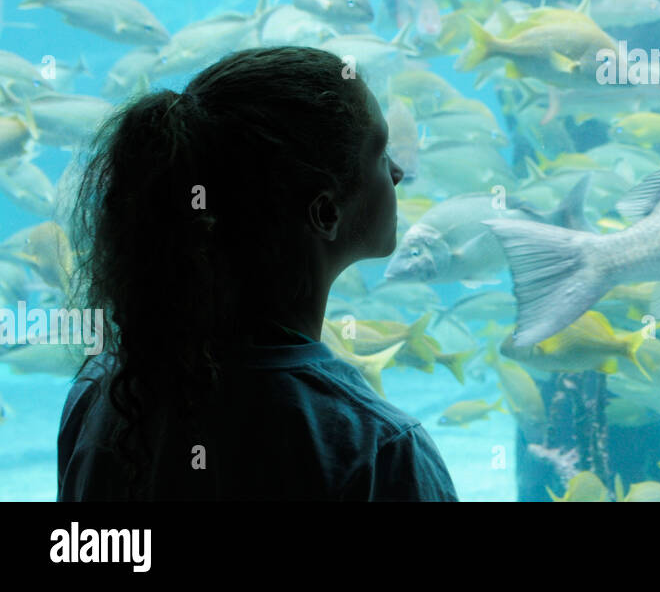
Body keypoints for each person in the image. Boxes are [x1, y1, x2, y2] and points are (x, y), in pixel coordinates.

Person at [57, 46, 457, 501]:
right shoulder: (378, 448)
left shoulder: (104, 395)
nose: (400, 172)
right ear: (326, 213)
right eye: (380, 153)